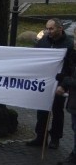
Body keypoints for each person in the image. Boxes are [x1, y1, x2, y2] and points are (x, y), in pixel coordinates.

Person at [27, 19, 74, 150]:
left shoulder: (69, 45)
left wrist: (63, 83)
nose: (48, 31)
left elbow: (71, 67)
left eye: (51, 29)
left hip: (59, 83)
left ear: (60, 29)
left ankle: (55, 138)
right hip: (44, 81)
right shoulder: (43, 41)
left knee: (57, 110)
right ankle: (40, 136)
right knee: (42, 110)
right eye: (47, 28)